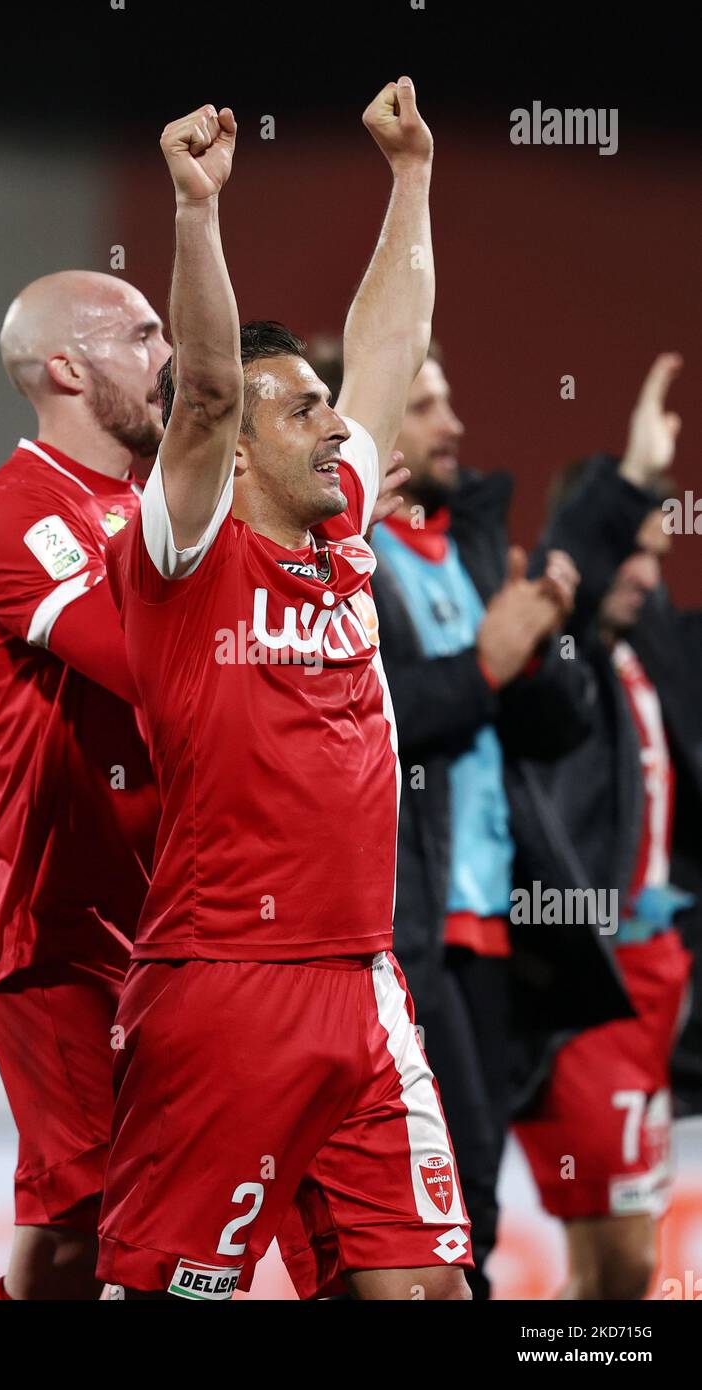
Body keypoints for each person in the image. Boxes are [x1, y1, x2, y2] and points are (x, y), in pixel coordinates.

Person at [97, 79, 482, 1303]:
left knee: (423, 1291)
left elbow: (385, 345)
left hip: (364, 979)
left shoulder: (345, 528)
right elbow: (206, 389)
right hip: (226, 990)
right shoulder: (182, 548)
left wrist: (411, 179)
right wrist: (196, 212)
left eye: (330, 413)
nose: (339, 427)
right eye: (303, 410)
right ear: (234, 447)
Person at [366, 343, 627, 1298]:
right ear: (375, 422)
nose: (455, 426)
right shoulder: (349, 559)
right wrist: (483, 662)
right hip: (403, 927)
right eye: (427, 404)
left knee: (470, 1193)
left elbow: (552, 727)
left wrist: (547, 638)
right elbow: (374, 723)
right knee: (442, 1198)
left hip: (490, 925)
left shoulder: (469, 543)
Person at [0, 271, 168, 1299]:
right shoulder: (11, 514)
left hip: (159, 919)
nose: (172, 355)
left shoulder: (140, 507)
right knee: (92, 1221)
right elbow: (147, 662)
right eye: (144, 333)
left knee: (96, 1218)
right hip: (57, 933)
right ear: (66, 368)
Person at [514, 353, 700, 1299]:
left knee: (624, 1262)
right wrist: (626, 483)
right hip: (587, 987)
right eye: (632, 552)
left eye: (660, 556)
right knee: (620, 1258)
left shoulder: (646, 655)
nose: (647, 576)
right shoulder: (565, 659)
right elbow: (574, 591)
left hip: (655, 987)